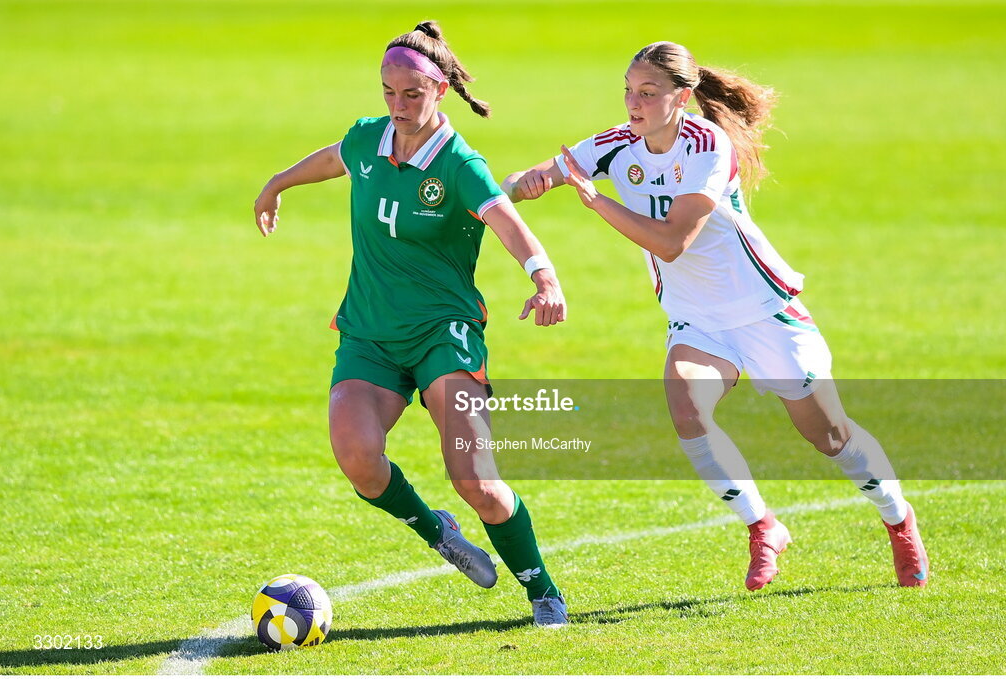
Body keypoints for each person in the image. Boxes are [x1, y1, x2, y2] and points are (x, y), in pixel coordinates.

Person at [501, 41, 928, 591]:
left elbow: (673, 242)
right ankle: (763, 526)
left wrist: (597, 202)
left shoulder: (708, 146)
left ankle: (899, 520)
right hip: (697, 321)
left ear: (681, 97)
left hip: (763, 310)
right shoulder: (614, 144)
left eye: (649, 93)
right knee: (685, 407)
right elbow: (535, 175)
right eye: (629, 91)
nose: (634, 103)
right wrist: (517, 186)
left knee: (831, 437)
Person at [253, 21, 568, 625]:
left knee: (476, 479)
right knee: (358, 459)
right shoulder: (369, 139)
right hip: (370, 334)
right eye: (388, 93)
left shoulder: (458, 163)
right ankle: (436, 530)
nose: (398, 107)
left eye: (412, 95)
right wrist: (277, 184)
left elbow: (507, 223)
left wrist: (544, 278)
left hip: (443, 333)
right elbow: (334, 159)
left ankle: (542, 590)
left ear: (440, 90)